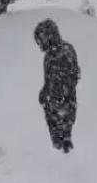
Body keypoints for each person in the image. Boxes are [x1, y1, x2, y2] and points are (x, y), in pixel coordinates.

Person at [34, 19, 80, 153]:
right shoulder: (49, 57)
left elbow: (72, 78)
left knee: (61, 144)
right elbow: (48, 81)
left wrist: (58, 94)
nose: (39, 44)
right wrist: (45, 93)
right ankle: (61, 144)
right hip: (56, 106)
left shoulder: (65, 53)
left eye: (40, 40)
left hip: (64, 106)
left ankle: (64, 143)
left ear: (49, 37)